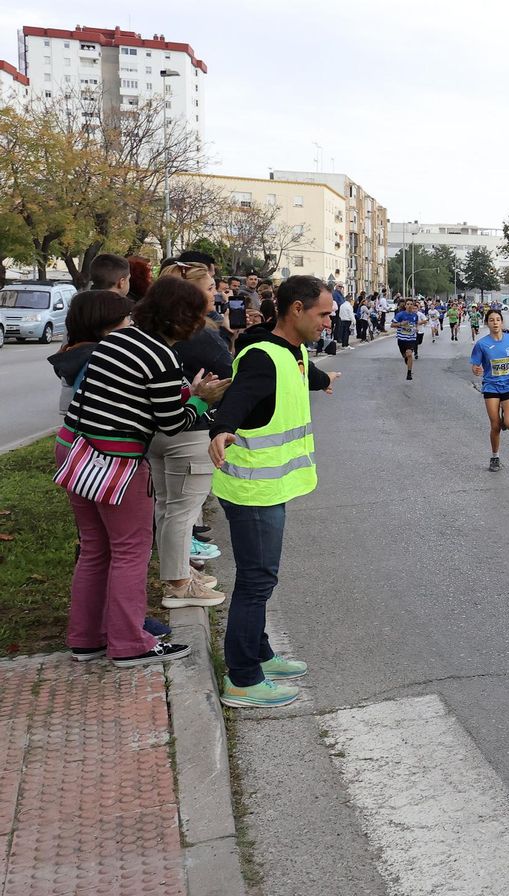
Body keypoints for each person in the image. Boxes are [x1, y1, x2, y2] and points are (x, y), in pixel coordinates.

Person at [57, 276, 230, 667]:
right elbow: (171, 423)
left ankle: (86, 638)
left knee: (94, 549)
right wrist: (201, 401)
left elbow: (135, 396)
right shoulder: (161, 356)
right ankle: (129, 642)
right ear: (181, 318)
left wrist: (187, 393)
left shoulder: (118, 340)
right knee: (130, 551)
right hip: (116, 460)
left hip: (75, 448)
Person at [207, 275, 336, 708]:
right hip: (252, 490)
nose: (328, 321)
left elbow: (305, 374)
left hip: (267, 486)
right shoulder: (263, 356)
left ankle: (260, 653)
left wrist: (325, 378)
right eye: (323, 314)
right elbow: (239, 398)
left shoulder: (291, 349)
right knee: (257, 580)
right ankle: (243, 679)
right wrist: (222, 429)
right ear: (296, 309)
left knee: (260, 577)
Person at [150, 261, 234, 609]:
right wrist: (203, 401)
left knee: (168, 507)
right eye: (210, 287)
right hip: (187, 432)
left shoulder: (150, 335)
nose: (216, 293)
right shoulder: (196, 336)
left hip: (156, 432)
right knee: (183, 511)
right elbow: (229, 374)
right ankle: (180, 585)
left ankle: (180, 573)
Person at [471, 309, 509, 471]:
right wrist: (476, 370)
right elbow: (475, 365)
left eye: (498, 320)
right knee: (495, 426)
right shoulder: (481, 344)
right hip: (491, 386)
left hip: (508, 385)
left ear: (502, 322)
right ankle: (495, 457)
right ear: (487, 323)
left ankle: (505, 415)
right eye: (491, 320)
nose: (495, 323)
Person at [394, 299, 421, 381]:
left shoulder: (415, 315)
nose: (409, 305)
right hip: (401, 339)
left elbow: (416, 323)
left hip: (411, 339)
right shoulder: (400, 315)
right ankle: (406, 358)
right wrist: (401, 324)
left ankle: (409, 373)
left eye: (411, 304)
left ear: (413, 306)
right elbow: (392, 325)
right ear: (405, 305)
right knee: (405, 356)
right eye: (408, 304)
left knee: (409, 354)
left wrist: (416, 328)